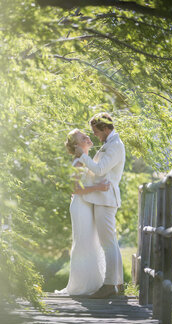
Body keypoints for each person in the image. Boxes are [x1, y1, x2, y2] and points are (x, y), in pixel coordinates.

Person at [75, 113, 125, 299]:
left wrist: (82, 155)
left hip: (106, 198)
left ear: (105, 129)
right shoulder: (109, 145)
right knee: (110, 241)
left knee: (107, 242)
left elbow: (100, 169)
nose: (95, 135)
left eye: (96, 132)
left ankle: (110, 284)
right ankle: (117, 282)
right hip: (101, 197)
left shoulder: (115, 146)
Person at [55, 128, 110, 296]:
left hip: (87, 205)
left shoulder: (86, 160)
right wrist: (99, 187)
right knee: (83, 243)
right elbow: (76, 189)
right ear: (76, 145)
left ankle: (93, 283)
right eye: (83, 137)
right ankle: (82, 285)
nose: (87, 137)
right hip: (80, 206)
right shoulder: (78, 162)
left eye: (86, 135)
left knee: (91, 242)